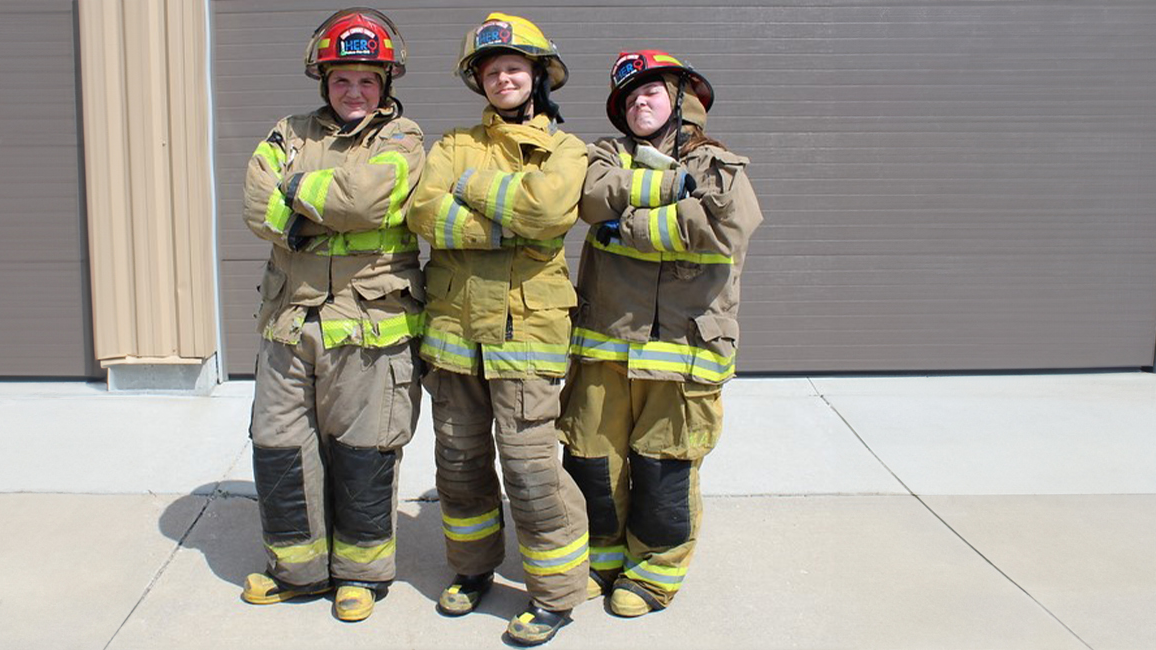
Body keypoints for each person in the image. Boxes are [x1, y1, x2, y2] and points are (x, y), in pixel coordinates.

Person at [404, 12, 589, 646]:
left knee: (531, 468)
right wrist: (510, 222)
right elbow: (423, 214)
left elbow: (549, 209)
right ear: (477, 80)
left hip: (527, 335)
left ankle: (557, 594)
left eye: (515, 67)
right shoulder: (450, 142)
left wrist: (471, 189)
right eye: (491, 69)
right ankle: (471, 569)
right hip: (454, 332)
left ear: (538, 76)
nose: (503, 77)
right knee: (458, 464)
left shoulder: (567, 148)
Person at [560, 50, 763, 618]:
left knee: (664, 463)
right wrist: (679, 194)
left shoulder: (719, 162)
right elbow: (590, 200)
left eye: (651, 91)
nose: (638, 102)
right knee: (592, 457)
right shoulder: (602, 157)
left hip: (684, 350)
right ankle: (599, 562)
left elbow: (725, 231)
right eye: (629, 97)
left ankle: (652, 575)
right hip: (604, 343)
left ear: (681, 99)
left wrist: (628, 230)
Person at [239, 7, 424, 623]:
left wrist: (297, 192)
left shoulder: (402, 139)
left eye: (367, 80)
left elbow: (371, 199)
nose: (354, 90)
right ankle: (297, 571)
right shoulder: (287, 130)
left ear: (385, 85)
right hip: (289, 323)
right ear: (324, 82)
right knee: (279, 445)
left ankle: (359, 575)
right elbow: (254, 201)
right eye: (342, 79)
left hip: (369, 329)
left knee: (363, 450)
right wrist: (322, 204)